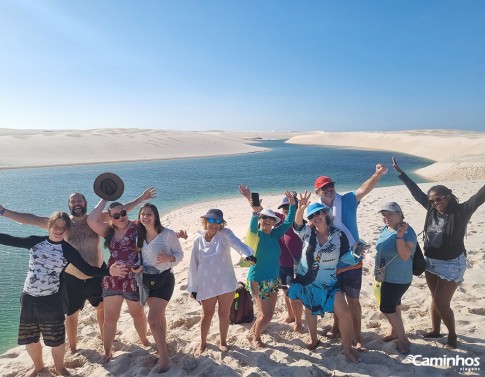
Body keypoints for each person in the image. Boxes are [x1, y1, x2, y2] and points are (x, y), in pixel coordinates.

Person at [0, 187, 156, 353]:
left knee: (102, 307)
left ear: (85, 202)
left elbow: (120, 211)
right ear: (69, 205)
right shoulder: (62, 224)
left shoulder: (95, 219)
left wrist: (141, 199)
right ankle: (73, 347)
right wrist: (4, 211)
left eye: (79, 200)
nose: (77, 204)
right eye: (73, 201)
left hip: (98, 272)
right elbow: (31, 219)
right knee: (72, 314)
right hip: (72, 277)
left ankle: (105, 340)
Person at [0, 212, 127, 377]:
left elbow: (87, 269)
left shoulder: (68, 250)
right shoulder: (35, 242)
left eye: (62, 227)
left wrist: (108, 272)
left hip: (52, 299)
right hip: (29, 297)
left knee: (56, 338)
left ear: (66, 229)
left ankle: (59, 367)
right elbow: (8, 239)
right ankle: (38, 366)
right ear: (49, 226)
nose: (58, 230)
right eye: (55, 226)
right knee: (30, 338)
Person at [392, 157, 485, 349]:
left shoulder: (462, 211)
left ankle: (452, 335)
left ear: (448, 196)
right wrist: (401, 174)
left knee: (442, 302)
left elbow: (480, 195)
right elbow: (417, 193)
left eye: (438, 199)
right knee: (434, 297)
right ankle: (436, 330)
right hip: (431, 261)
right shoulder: (431, 209)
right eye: (432, 200)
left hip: (452, 263)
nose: (435, 203)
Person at [315, 163, 387, 349]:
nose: (329, 190)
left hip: (352, 260)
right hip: (331, 263)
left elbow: (364, 189)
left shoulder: (347, 200)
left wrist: (377, 175)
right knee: (336, 299)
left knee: (353, 301)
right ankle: (336, 327)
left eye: (331, 186)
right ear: (318, 192)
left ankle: (358, 337)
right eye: (324, 188)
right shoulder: (316, 210)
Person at [287, 193, 362, 363]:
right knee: (310, 311)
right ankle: (314, 339)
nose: (316, 217)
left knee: (344, 313)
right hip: (307, 281)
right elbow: (297, 225)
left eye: (318, 213)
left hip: (329, 282)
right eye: (312, 216)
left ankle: (347, 348)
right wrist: (300, 209)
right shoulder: (307, 233)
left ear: (325, 214)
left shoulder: (338, 235)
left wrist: (356, 254)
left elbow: (344, 257)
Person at [87, 199, 150, 363]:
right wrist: (105, 197)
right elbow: (91, 220)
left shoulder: (138, 226)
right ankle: (107, 352)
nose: (121, 217)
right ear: (110, 218)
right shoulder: (108, 231)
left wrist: (176, 236)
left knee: (138, 314)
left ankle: (144, 340)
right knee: (110, 318)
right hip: (112, 279)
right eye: (116, 215)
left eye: (123, 213)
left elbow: (158, 233)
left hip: (133, 279)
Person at [187, 208, 256, 356]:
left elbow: (239, 245)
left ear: (221, 223)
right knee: (206, 315)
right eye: (211, 220)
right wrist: (193, 287)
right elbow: (193, 264)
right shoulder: (198, 240)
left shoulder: (225, 234)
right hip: (206, 285)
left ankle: (223, 342)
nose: (214, 224)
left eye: (217, 221)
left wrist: (248, 255)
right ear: (205, 221)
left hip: (226, 282)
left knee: (224, 314)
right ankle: (203, 342)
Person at [239, 187, 297, 349]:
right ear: (260, 219)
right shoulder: (256, 235)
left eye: (270, 219)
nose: (267, 220)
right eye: (264, 218)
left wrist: (293, 205)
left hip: (273, 280)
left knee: (268, 314)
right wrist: (255, 211)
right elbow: (251, 227)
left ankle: (254, 329)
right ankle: (256, 337)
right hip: (257, 280)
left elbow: (288, 222)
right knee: (266, 315)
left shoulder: (275, 235)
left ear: (273, 222)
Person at [135, 203, 183, 373]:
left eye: (149, 214)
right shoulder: (138, 235)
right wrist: (136, 267)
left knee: (153, 320)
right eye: (143, 214)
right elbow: (139, 257)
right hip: (147, 281)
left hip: (165, 280)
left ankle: (164, 359)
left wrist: (169, 258)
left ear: (155, 216)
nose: (146, 217)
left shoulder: (167, 234)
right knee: (160, 317)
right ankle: (163, 346)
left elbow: (180, 255)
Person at [375, 202, 416, 354]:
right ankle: (393, 333)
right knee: (395, 304)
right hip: (386, 276)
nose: (386, 217)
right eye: (384, 214)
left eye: (390, 214)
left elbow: (405, 255)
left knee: (386, 307)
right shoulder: (386, 228)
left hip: (398, 278)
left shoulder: (407, 232)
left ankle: (403, 339)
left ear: (400, 214)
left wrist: (399, 237)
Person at [276, 196, 304, 333]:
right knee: (285, 292)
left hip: (295, 266)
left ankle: (298, 322)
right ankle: (290, 315)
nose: (287, 211)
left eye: (291, 207)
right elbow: (262, 214)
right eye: (285, 208)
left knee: (294, 295)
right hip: (281, 265)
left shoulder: (301, 225)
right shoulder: (279, 224)